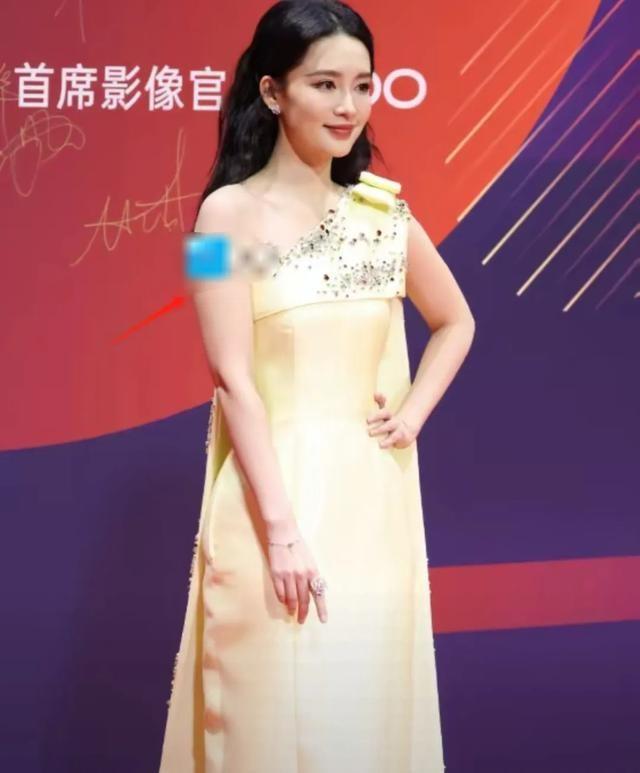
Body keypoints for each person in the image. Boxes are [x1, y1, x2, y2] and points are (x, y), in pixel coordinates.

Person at [160, 1, 475, 771]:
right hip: (272, 500)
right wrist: (281, 531)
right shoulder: (221, 219)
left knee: (362, 724)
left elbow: (456, 320)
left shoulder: (383, 212)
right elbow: (231, 377)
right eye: (325, 84)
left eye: (363, 86)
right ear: (273, 91)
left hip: (372, 507)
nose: (348, 106)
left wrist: (411, 416)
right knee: (267, 721)